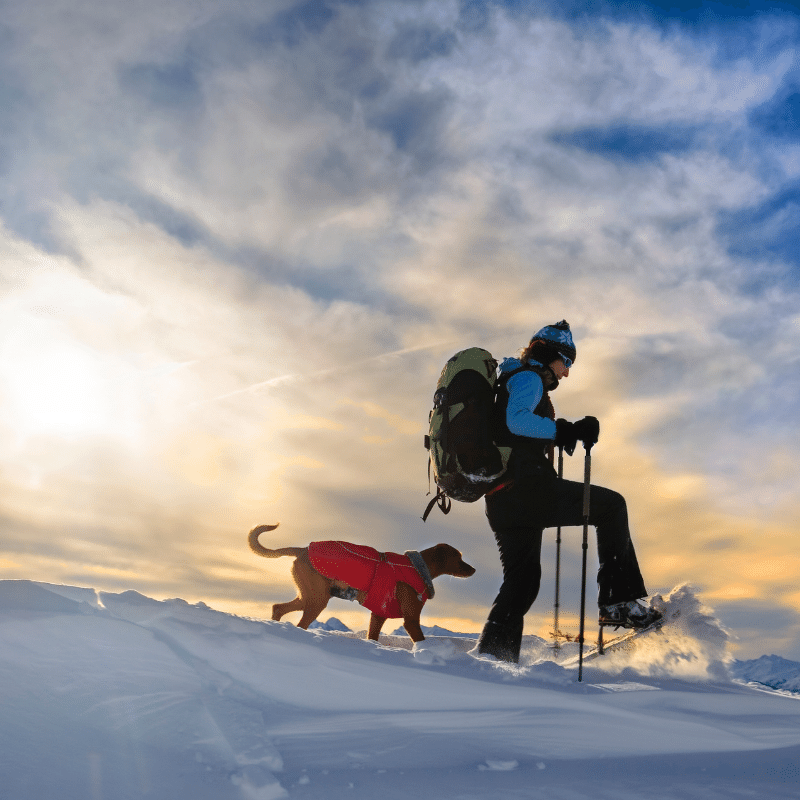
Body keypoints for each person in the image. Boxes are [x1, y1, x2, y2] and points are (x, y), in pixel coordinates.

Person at [476, 320, 661, 663]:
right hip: (528, 491)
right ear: (549, 355)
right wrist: (564, 429)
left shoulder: (510, 380)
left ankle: (493, 658)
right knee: (610, 506)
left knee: (523, 581)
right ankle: (619, 602)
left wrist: (562, 433)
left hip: (502, 500)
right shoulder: (529, 379)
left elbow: (513, 429)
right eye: (567, 362)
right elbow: (517, 421)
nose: (567, 373)